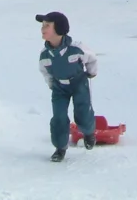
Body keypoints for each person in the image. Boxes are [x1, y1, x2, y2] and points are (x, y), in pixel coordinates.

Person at [37, 11, 98, 162]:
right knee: (58, 117)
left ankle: (89, 132)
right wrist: (52, 85)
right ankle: (60, 147)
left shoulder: (76, 48)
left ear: (59, 29)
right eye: (43, 25)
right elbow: (45, 72)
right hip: (59, 88)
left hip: (78, 83)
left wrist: (91, 73)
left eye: (47, 25)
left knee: (82, 113)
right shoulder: (45, 55)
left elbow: (92, 59)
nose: (43, 29)